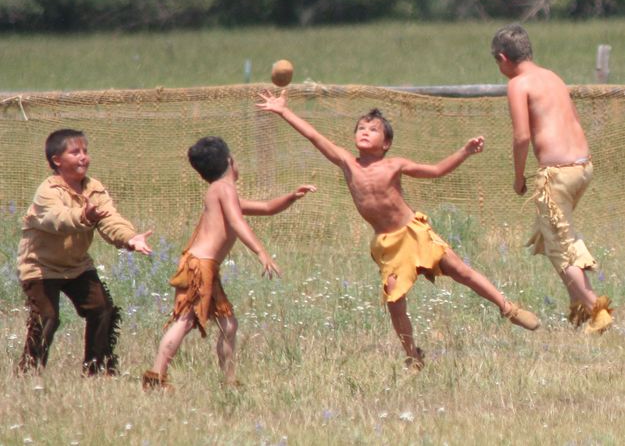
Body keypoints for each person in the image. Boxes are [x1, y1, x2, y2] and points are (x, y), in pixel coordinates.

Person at [257, 92, 539, 371]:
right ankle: (412, 354)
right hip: (388, 244)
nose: (365, 132)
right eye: (361, 128)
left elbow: (437, 170)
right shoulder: (347, 163)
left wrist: (465, 151)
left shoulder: (395, 165)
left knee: (460, 270)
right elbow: (315, 138)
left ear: (387, 143)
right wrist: (284, 111)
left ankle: (508, 308)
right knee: (394, 301)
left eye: (373, 129)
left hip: (413, 233)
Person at [143, 136, 315, 389]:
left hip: (206, 268)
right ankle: (156, 376)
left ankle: (229, 381)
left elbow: (267, 207)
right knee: (186, 321)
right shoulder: (224, 190)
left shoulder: (221, 192)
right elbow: (237, 221)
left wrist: (291, 196)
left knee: (228, 324)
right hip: (199, 267)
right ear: (229, 161)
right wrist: (261, 252)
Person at [491, 23, 613, 334]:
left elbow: (521, 137)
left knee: (560, 246)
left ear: (503, 58)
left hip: (556, 174)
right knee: (554, 237)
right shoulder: (552, 77)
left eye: (497, 62)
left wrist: (518, 177)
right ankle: (580, 311)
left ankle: (597, 311)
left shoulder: (519, 84)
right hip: (583, 167)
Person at [17, 129, 153, 376]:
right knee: (47, 317)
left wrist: (129, 238)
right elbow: (56, 219)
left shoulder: (94, 189)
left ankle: (96, 370)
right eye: (75, 152)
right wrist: (83, 215)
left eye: (85, 152)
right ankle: (29, 373)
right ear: (57, 160)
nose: (83, 157)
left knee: (102, 309)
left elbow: (111, 219)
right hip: (40, 266)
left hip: (77, 265)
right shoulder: (47, 191)